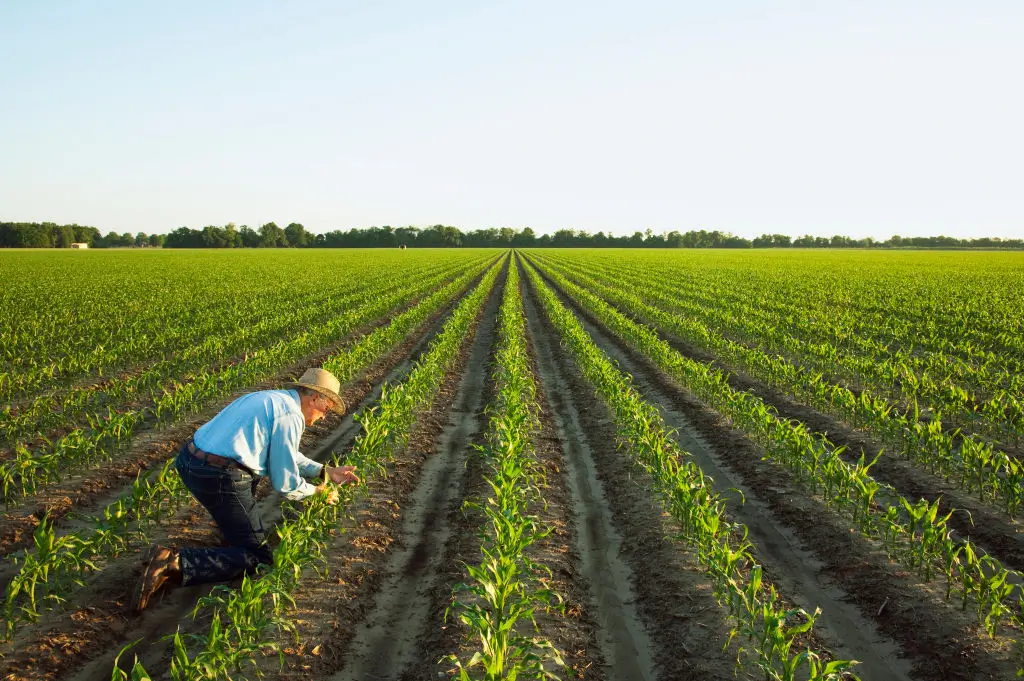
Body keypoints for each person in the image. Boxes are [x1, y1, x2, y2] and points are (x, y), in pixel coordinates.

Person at [131, 367, 360, 611]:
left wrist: (325, 471)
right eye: (326, 409)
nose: (324, 416)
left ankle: (230, 539)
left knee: (245, 492)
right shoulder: (289, 416)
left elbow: (287, 453)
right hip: (219, 475)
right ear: (314, 397)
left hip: (190, 462)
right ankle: (173, 563)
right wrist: (318, 492)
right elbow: (285, 483)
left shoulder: (270, 399)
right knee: (258, 559)